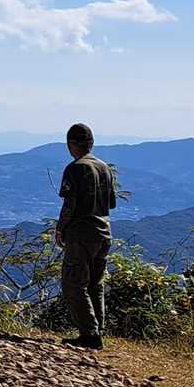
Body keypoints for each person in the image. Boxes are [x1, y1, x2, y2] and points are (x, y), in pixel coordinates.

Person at [56, 122, 118, 350]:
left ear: (70, 145)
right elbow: (111, 203)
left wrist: (60, 228)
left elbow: (70, 204)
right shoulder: (104, 167)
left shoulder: (75, 169)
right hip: (104, 232)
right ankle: (97, 330)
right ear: (91, 143)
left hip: (81, 233)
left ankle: (89, 334)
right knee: (95, 283)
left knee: (74, 283)